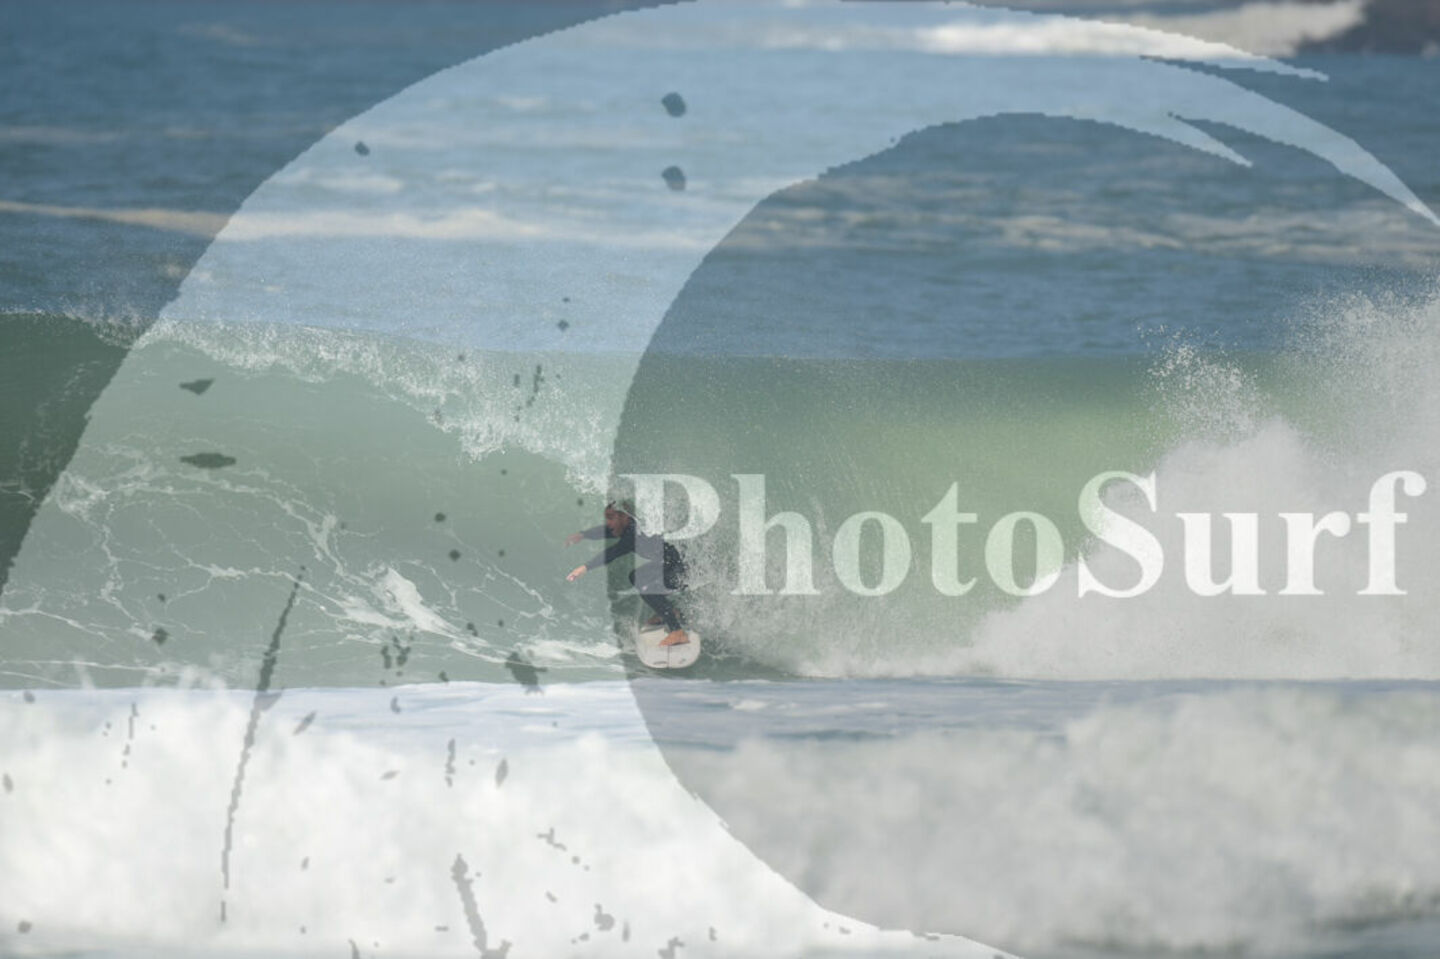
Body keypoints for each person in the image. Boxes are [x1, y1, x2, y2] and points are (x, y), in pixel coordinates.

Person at [565, 500, 690, 647]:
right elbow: (606, 531)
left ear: (625, 517)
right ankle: (670, 612)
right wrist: (583, 535)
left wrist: (585, 567)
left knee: (648, 589)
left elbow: (613, 552)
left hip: (680, 570)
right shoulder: (630, 527)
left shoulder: (633, 534)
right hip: (670, 564)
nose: (608, 523)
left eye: (611, 518)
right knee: (637, 577)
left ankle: (678, 632)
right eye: (607, 518)